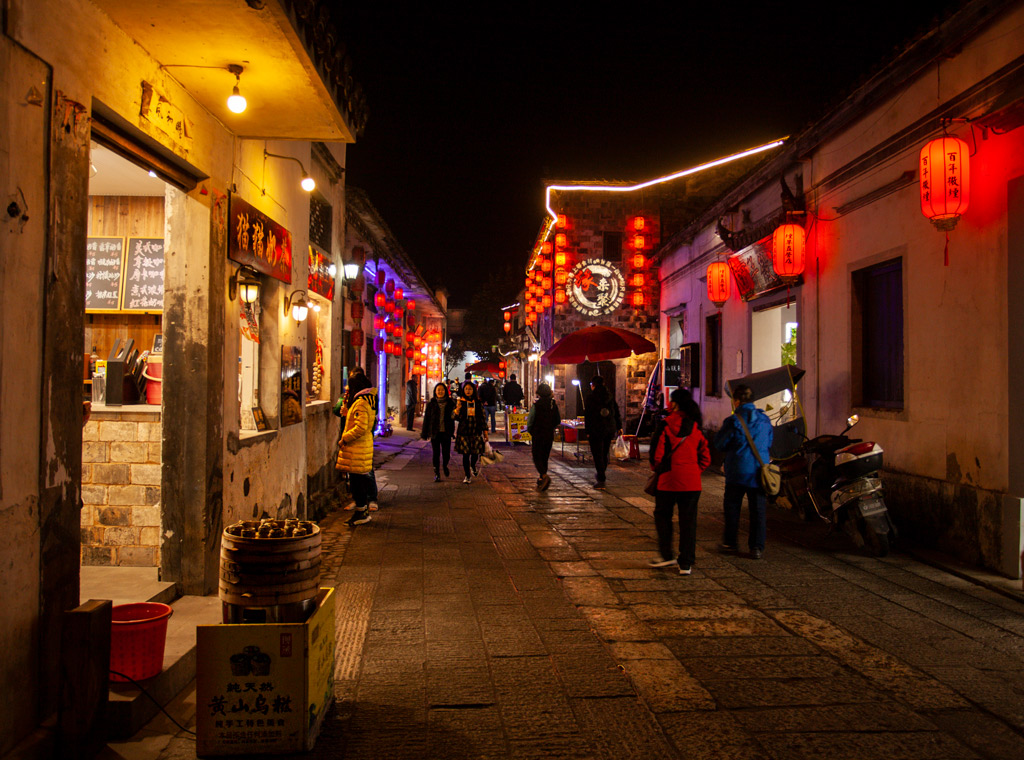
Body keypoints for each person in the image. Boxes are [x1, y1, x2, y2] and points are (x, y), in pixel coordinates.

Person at [647, 388, 711, 575]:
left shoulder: (666, 425)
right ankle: (686, 563)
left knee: (663, 517)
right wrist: (693, 470)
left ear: (674, 404)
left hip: (668, 481)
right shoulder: (695, 427)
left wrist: (660, 470)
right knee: (688, 522)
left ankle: (666, 555)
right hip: (691, 482)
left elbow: (656, 456)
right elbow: (706, 456)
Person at [713, 383, 774, 559]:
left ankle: (731, 543)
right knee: (758, 510)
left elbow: (720, 444)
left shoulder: (733, 421)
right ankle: (756, 547)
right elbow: (769, 443)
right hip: (759, 471)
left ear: (737, 401)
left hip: (737, 472)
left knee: (732, 508)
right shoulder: (764, 420)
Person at [335, 373, 378, 526]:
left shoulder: (360, 403)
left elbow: (360, 427)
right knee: (359, 481)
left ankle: (361, 512)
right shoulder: (367, 401)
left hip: (357, 449)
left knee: (357, 483)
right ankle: (362, 511)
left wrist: (345, 438)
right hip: (361, 448)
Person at [583, 375, 621, 488]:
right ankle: (601, 473)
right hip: (609, 428)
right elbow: (616, 412)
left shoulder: (591, 398)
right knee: (604, 452)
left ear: (593, 385)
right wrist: (619, 426)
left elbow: (588, 416)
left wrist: (588, 430)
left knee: (597, 453)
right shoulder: (609, 396)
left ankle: (601, 477)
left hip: (596, 429)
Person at [526, 382, 561, 490]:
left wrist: (530, 430)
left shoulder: (536, 405)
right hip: (548, 434)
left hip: (538, 434)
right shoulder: (553, 404)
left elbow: (530, 420)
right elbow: (557, 420)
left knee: (537, 456)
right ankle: (542, 478)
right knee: (544, 456)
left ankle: (544, 476)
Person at [454, 380, 488, 484]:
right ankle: (467, 476)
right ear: (463, 390)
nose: (468, 391)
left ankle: (473, 465)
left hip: (476, 431)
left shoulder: (478, 403)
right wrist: (457, 410)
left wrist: (485, 432)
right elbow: (455, 417)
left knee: (475, 453)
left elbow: (482, 417)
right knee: (465, 454)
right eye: (466, 389)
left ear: (473, 390)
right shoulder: (461, 402)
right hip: (464, 432)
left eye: (470, 389)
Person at [421, 382, 456, 481]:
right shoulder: (431, 404)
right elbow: (426, 419)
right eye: (438, 390)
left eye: (442, 390)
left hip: (446, 432)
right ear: (435, 392)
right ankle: (436, 473)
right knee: (436, 453)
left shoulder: (450, 403)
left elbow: (455, 416)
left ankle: (445, 465)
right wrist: (425, 432)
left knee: (446, 453)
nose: (440, 392)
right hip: (435, 432)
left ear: (445, 391)